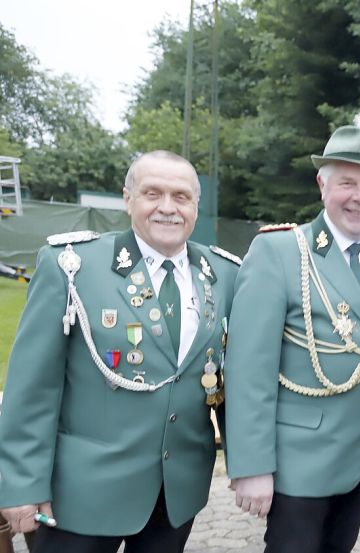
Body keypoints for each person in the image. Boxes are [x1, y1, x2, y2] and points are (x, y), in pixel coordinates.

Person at [0, 151, 239, 553]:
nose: (167, 207)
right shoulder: (72, 266)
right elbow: (32, 389)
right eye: (152, 193)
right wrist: (20, 483)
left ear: (196, 206)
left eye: (181, 196)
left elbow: (234, 382)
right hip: (82, 494)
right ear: (128, 199)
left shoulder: (225, 275)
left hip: (175, 494)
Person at [223, 113, 360, 553]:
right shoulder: (279, 252)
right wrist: (251, 466)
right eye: (347, 183)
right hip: (298, 464)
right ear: (322, 185)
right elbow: (248, 369)